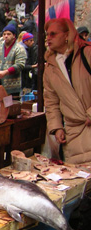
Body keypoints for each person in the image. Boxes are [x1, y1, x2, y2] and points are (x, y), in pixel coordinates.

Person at [43, 18, 91, 164]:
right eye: (47, 34)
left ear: (66, 35)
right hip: (73, 133)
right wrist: (56, 127)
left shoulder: (87, 53)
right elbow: (51, 102)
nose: (48, 38)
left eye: (53, 34)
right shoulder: (50, 67)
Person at [0, 23, 26, 97]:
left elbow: (20, 65)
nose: (6, 36)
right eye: (4, 34)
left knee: (10, 107)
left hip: (12, 87)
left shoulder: (19, 48)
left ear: (14, 35)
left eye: (9, 34)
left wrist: (6, 72)